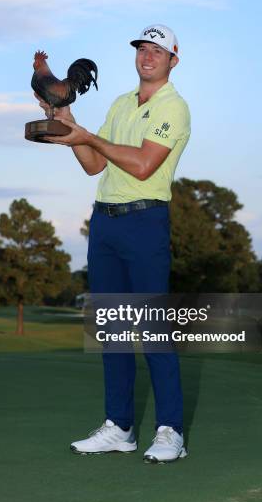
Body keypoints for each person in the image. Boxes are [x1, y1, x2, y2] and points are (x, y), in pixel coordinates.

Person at [38, 24, 191, 463]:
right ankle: (120, 427)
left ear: (172, 61)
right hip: (104, 223)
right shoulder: (123, 103)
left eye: (157, 51)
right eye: (143, 48)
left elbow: (143, 165)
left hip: (145, 221)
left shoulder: (174, 107)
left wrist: (88, 136)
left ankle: (170, 431)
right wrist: (70, 126)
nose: (147, 56)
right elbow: (92, 164)